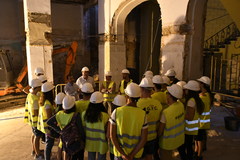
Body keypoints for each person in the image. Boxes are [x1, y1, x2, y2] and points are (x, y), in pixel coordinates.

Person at [110, 83, 148, 160]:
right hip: (136, 155)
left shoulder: (116, 112)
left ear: (126, 96)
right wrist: (132, 155)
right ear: (139, 97)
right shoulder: (143, 114)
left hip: (119, 155)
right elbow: (144, 139)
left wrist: (123, 154)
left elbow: (112, 136)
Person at [47, 95, 86, 160]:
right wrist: (84, 139)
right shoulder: (76, 116)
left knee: (66, 153)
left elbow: (49, 122)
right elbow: (81, 130)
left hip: (65, 139)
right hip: (76, 141)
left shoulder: (59, 114)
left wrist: (60, 131)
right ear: (73, 105)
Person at [178, 80, 204, 160]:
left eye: (186, 89)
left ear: (190, 91)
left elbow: (189, 117)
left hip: (188, 129)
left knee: (182, 147)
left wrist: (179, 115)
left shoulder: (191, 101)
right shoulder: (196, 99)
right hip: (192, 128)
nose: (185, 91)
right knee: (189, 146)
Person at [137, 78, 162, 160]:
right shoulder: (157, 104)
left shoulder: (138, 104)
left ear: (142, 89)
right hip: (153, 137)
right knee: (149, 156)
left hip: (140, 138)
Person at [158, 84, 185, 160]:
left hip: (167, 143)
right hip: (178, 140)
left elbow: (160, 131)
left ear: (170, 96)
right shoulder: (181, 105)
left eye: (167, 93)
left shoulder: (166, 112)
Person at [82, 91, 109, 160]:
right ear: (102, 103)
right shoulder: (105, 116)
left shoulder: (84, 114)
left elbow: (83, 129)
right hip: (102, 143)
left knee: (91, 158)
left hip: (90, 142)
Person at [24, 79, 44, 159]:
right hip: (36, 121)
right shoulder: (35, 99)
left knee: (34, 134)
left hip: (31, 120)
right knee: (37, 136)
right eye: (40, 87)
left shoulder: (30, 95)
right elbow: (36, 112)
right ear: (37, 87)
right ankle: (38, 154)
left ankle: (34, 150)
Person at [195, 76, 213, 160]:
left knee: (199, 140)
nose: (198, 84)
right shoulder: (208, 95)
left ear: (202, 84)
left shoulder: (202, 98)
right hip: (204, 122)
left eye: (200, 83)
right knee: (199, 139)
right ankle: (197, 151)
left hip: (200, 123)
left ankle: (199, 155)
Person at [37, 82, 56, 160]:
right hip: (48, 128)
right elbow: (49, 117)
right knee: (49, 144)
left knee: (48, 144)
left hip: (45, 127)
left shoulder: (43, 101)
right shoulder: (47, 104)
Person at [109, 95, 127, 160]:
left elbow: (109, 135)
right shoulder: (127, 116)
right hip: (126, 148)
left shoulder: (112, 116)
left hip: (114, 149)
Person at [54, 92, 66, 160]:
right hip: (64, 133)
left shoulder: (56, 111)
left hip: (59, 132)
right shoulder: (63, 112)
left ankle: (59, 158)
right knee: (64, 149)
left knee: (59, 147)